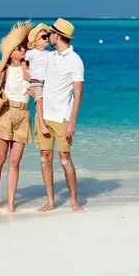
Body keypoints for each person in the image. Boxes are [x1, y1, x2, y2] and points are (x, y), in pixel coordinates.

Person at [34, 18, 84, 212]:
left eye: (50, 34)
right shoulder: (50, 57)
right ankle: (50, 201)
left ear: (57, 35)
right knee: (45, 157)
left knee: (65, 159)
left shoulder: (75, 60)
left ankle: (73, 200)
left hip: (62, 117)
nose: (48, 38)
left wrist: (72, 121)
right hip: (44, 115)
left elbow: (78, 94)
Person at [0, 20, 33, 212]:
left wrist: (26, 71)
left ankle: (11, 203)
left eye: (24, 47)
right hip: (6, 113)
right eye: (19, 48)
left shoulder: (30, 68)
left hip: (24, 115)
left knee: (15, 162)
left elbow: (38, 87)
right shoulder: (3, 71)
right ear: (11, 51)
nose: (23, 50)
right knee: (0, 158)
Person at [23, 23, 52, 134]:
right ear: (35, 43)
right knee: (39, 101)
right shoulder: (31, 53)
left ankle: (47, 119)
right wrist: (25, 70)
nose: (47, 39)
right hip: (35, 82)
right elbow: (21, 60)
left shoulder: (49, 54)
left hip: (46, 82)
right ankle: (41, 123)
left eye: (47, 36)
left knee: (45, 101)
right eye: (44, 37)